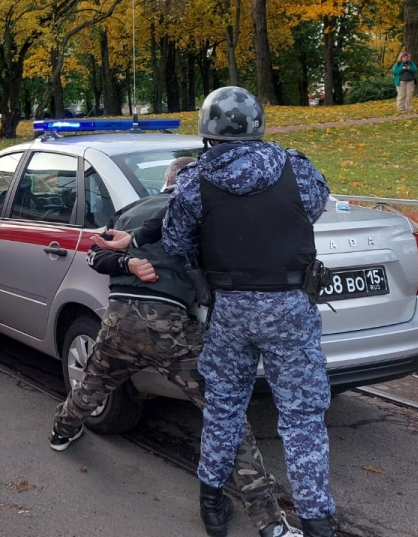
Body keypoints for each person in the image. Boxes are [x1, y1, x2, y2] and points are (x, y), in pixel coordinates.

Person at [50, 156, 302, 537]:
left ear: (166, 181)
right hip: (173, 329)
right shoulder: (204, 214)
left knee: (94, 382)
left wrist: (129, 263)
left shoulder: (131, 210)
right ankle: (269, 523)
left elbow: (95, 254)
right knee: (225, 414)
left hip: (118, 319)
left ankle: (60, 432)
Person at [162, 86, 336, 537]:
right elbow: (313, 208)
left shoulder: (193, 181)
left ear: (208, 133)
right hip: (290, 307)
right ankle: (318, 523)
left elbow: (177, 242)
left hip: (230, 310)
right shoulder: (296, 168)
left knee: (222, 406)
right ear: (258, 125)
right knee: (301, 417)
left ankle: (213, 505)